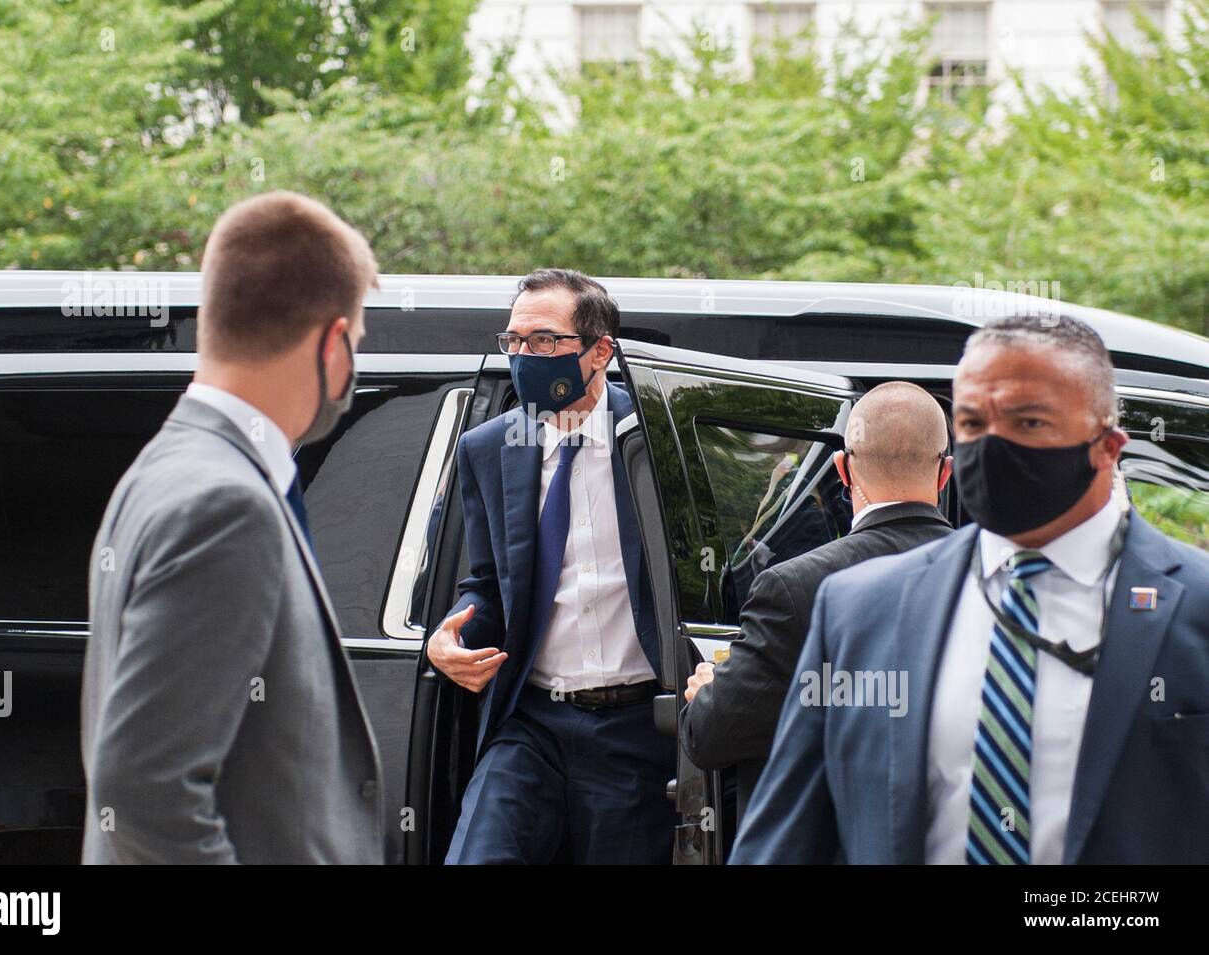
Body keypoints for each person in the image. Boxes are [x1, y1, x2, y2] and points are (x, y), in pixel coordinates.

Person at [731, 313, 1209, 865]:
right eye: (974, 422)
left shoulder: (1194, 608)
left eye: (1028, 422)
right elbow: (784, 840)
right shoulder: (859, 608)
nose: (993, 444)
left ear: (1108, 446)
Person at [80, 191, 385, 864]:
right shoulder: (227, 504)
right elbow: (145, 792)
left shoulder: (162, 469)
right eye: (356, 343)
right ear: (334, 341)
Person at [428, 268, 675, 864]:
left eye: (544, 342)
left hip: (636, 729)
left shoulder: (654, 440)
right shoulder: (488, 448)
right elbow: (487, 583)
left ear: (600, 351)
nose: (523, 356)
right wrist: (448, 636)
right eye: (513, 341)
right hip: (531, 722)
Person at [680, 382, 954, 823]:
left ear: (843, 471)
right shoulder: (998, 578)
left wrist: (708, 694)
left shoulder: (792, 588)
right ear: (946, 473)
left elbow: (711, 738)